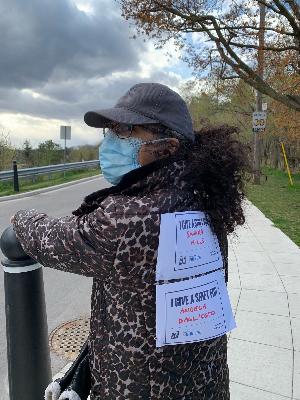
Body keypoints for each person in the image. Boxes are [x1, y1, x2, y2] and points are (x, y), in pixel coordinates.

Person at [12, 83, 248, 399]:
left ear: (169, 147)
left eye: (125, 131)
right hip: (205, 382)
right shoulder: (203, 197)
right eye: (110, 131)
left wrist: (20, 218)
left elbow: (53, 239)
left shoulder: (132, 217)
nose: (110, 141)